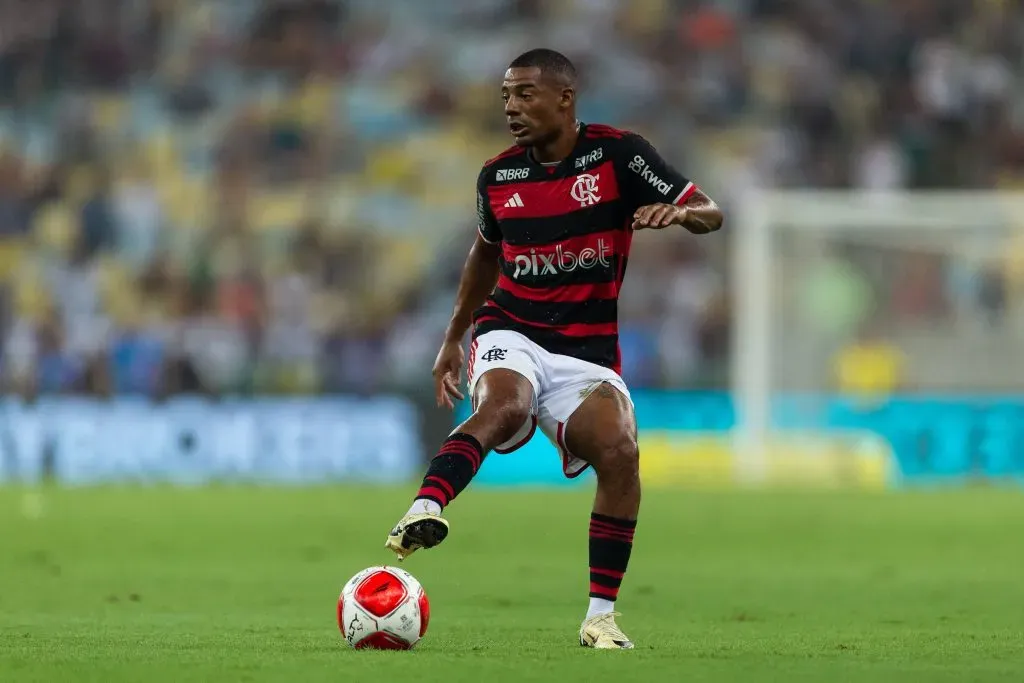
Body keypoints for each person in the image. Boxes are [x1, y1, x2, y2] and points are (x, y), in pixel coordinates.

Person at [385, 48, 723, 649]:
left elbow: (710, 211)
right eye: (506, 97)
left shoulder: (620, 155)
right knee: (505, 405)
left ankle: (600, 617)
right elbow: (485, 253)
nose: (511, 108)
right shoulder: (498, 177)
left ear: (565, 98)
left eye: (525, 94)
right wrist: (454, 335)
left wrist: (680, 213)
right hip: (511, 327)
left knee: (620, 452)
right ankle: (425, 508)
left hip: (586, 352)